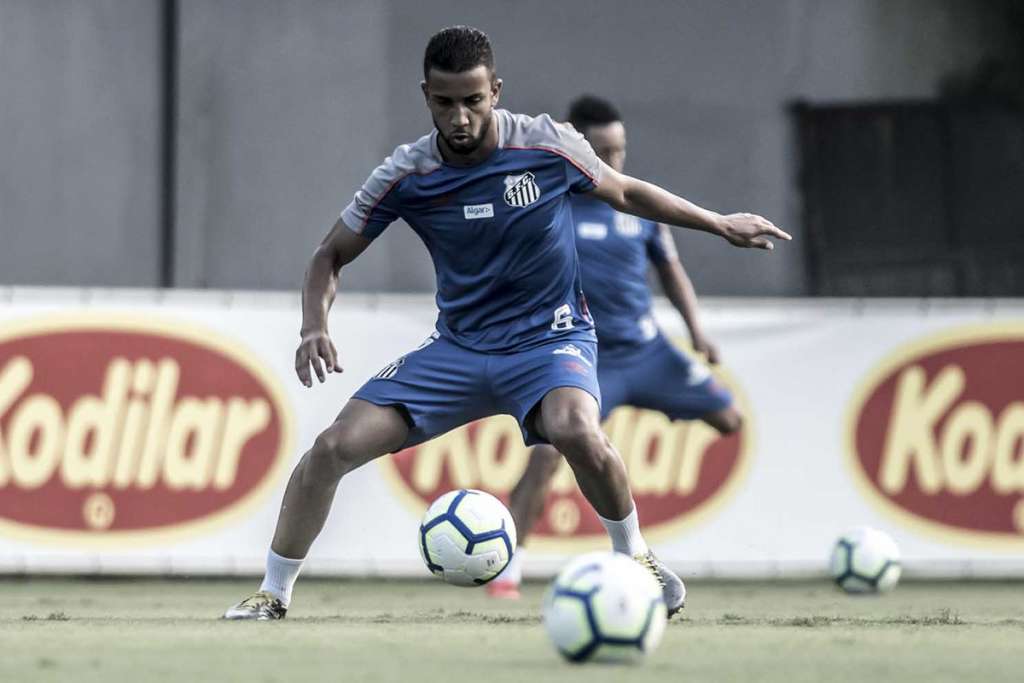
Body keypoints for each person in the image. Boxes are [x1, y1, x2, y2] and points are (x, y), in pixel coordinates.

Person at [224, 26, 788, 621]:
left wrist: (719, 222)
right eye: (445, 103)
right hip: (458, 350)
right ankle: (273, 593)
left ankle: (637, 558)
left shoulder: (547, 145)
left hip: (550, 341)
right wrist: (315, 324)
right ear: (427, 97)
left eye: (473, 100)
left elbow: (624, 192)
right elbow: (328, 255)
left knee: (574, 429)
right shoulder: (407, 174)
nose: (460, 117)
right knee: (332, 448)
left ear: (495, 90)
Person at [487, 95, 743, 600]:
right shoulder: (547, 202)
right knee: (545, 457)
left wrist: (696, 331)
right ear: (578, 147)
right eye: (603, 151)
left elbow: (671, 271)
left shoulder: (639, 207)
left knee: (730, 419)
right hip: (582, 356)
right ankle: (505, 574)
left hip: (648, 353)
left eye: (620, 150)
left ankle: (622, 441)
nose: (614, 161)